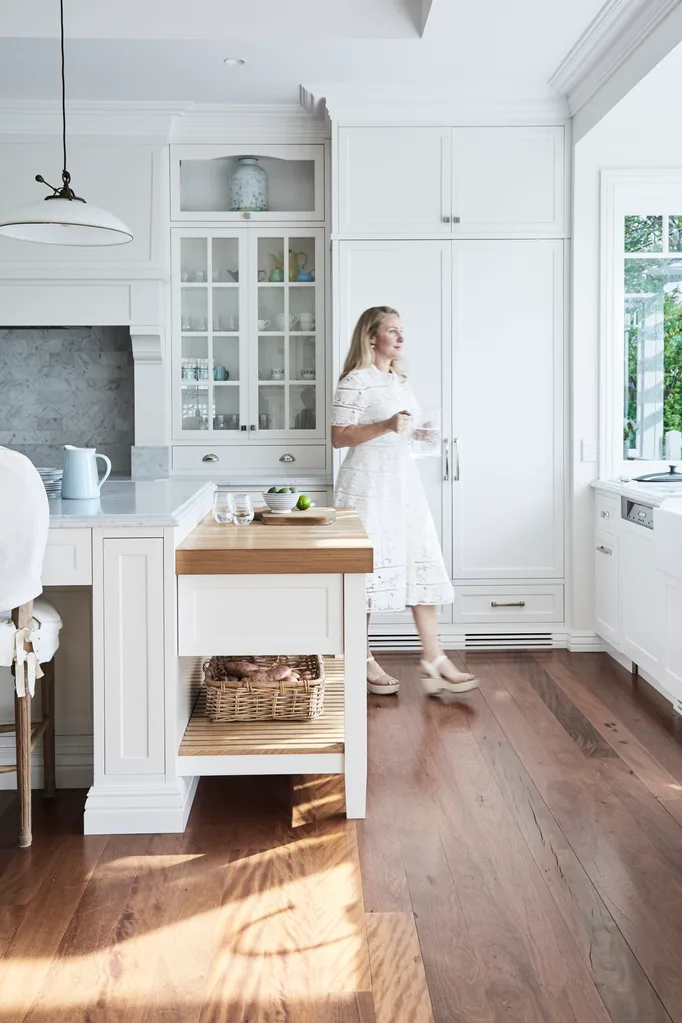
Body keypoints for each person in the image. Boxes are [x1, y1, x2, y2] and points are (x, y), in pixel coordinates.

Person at [331, 306, 477, 697]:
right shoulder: (354, 381)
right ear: (371, 337)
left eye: (401, 331)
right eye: (391, 330)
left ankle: (434, 658)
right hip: (367, 488)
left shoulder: (399, 381)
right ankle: (360, 658)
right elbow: (339, 436)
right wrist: (385, 425)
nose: (400, 337)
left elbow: (403, 430)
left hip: (402, 485)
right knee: (365, 573)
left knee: (420, 562)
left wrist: (420, 434)